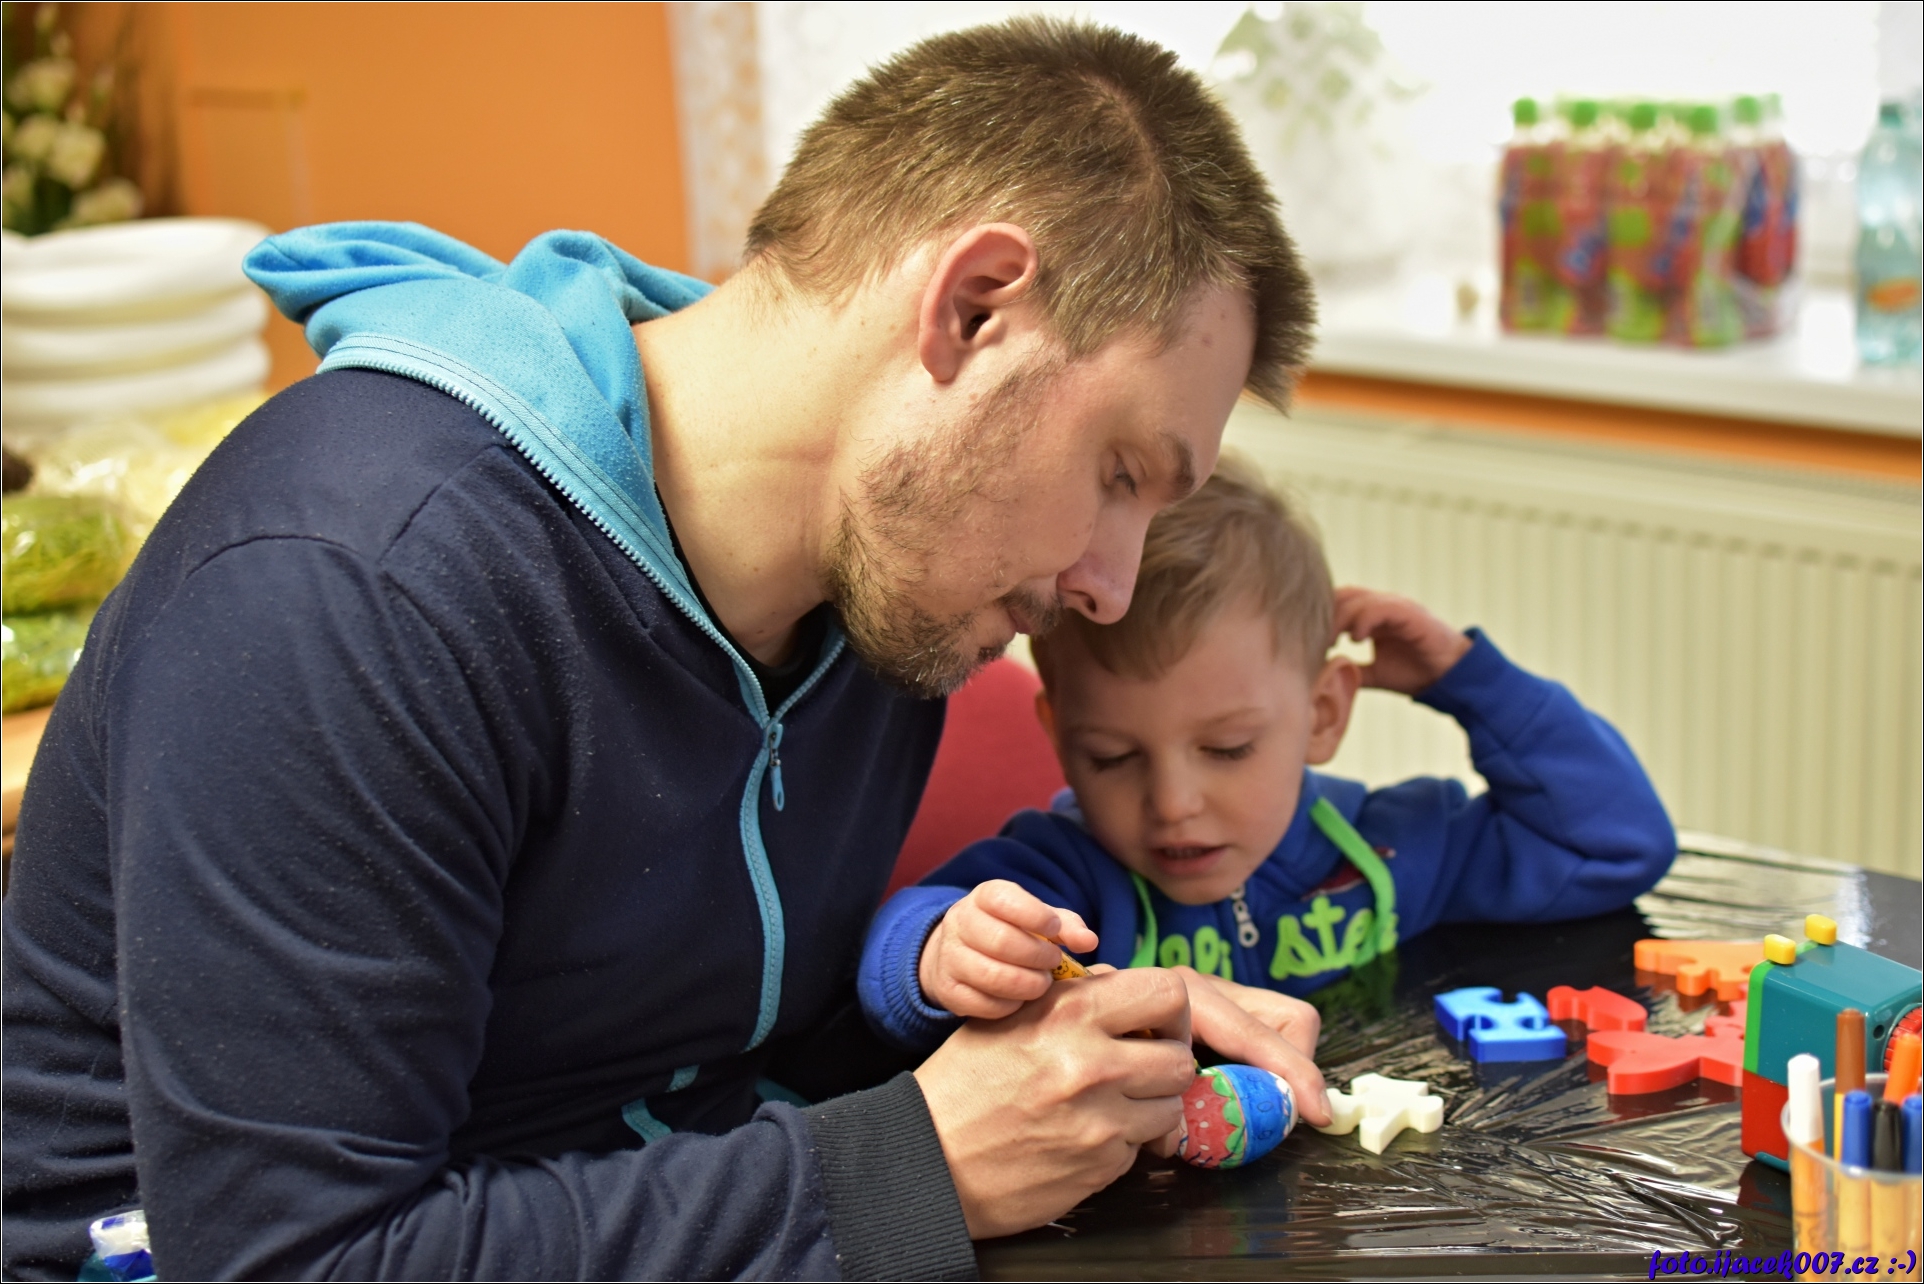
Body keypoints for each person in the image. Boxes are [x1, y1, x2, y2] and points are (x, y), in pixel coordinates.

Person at [2, 19, 1330, 1283]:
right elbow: (301, 1258)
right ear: (975, 310)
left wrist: (1067, 1055)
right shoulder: (356, 581)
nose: (1109, 586)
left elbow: (710, 1061)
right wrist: (917, 1162)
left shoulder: (889, 592)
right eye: (1119, 473)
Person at [859, 459, 1676, 1051]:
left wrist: (1470, 681)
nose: (1173, 803)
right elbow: (896, 948)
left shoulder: (1391, 851)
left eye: (1228, 748)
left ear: (1322, 714)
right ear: (1059, 734)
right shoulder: (1063, 879)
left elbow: (1611, 846)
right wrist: (945, 948)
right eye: (1111, 756)